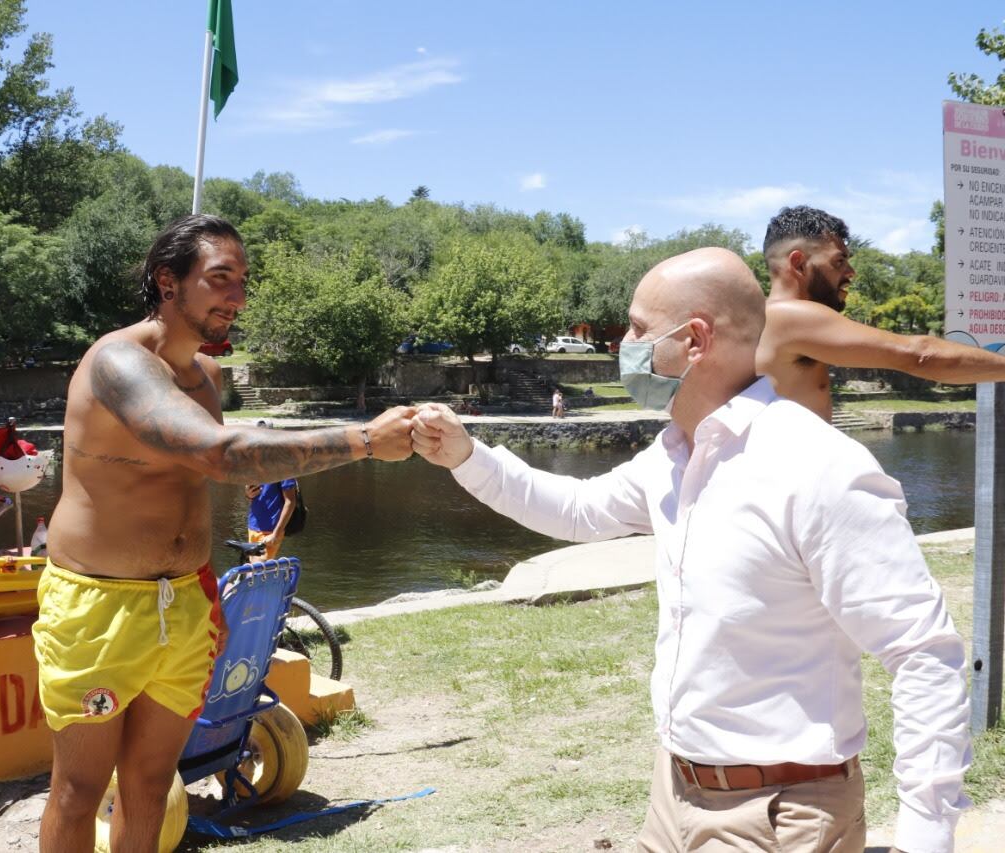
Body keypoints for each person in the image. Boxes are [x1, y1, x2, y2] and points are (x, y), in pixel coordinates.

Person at [412, 247, 970, 853]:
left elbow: (922, 652)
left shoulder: (816, 468)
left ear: (694, 340)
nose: (621, 345)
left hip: (780, 815)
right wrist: (465, 456)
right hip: (673, 794)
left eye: (637, 329)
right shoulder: (674, 455)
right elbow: (576, 509)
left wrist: (925, 834)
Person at [34, 214, 415, 852]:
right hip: (99, 608)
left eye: (242, 280)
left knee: (152, 783)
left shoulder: (206, 379)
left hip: (183, 603)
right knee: (78, 789)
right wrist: (365, 440)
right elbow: (219, 455)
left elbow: (222, 465)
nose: (237, 297)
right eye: (220, 279)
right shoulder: (117, 362)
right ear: (167, 282)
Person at [758, 204, 1005, 421]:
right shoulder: (790, 317)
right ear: (799, 263)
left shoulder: (767, 317)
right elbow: (920, 355)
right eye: (839, 261)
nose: (851, 272)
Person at [245, 421, 297, 562]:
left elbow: (290, 501)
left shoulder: (283, 465)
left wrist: (277, 533)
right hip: (253, 526)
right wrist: (249, 494)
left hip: (270, 530)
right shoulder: (256, 463)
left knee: (258, 570)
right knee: (255, 572)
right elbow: (256, 495)